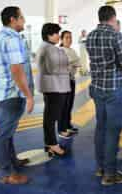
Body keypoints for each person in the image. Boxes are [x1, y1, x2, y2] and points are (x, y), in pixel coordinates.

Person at [86, 5, 122, 186]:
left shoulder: (90, 36)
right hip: (114, 90)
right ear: (113, 18)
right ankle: (110, 174)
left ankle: (100, 166)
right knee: (112, 131)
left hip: (97, 88)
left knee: (100, 127)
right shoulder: (117, 36)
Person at [0, 6, 34, 185]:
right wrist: (29, 96)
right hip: (11, 94)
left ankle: (12, 161)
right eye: (21, 17)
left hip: (4, 92)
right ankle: (6, 173)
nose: (24, 20)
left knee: (7, 132)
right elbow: (16, 70)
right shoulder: (11, 40)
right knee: (3, 134)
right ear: (12, 20)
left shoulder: (0, 37)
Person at [36, 23, 71, 157]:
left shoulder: (49, 47)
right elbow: (53, 68)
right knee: (51, 117)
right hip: (54, 88)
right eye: (56, 33)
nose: (58, 36)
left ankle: (50, 144)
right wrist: (67, 68)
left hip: (54, 87)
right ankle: (52, 144)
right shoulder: (48, 49)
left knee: (50, 116)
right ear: (49, 35)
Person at [60, 30, 81, 134]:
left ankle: (68, 125)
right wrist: (72, 62)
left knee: (69, 105)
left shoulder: (72, 50)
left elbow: (78, 62)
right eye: (66, 37)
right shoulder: (60, 50)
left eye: (70, 37)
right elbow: (70, 62)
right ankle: (62, 128)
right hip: (64, 81)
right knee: (63, 105)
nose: (69, 40)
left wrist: (72, 63)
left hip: (71, 79)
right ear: (62, 39)